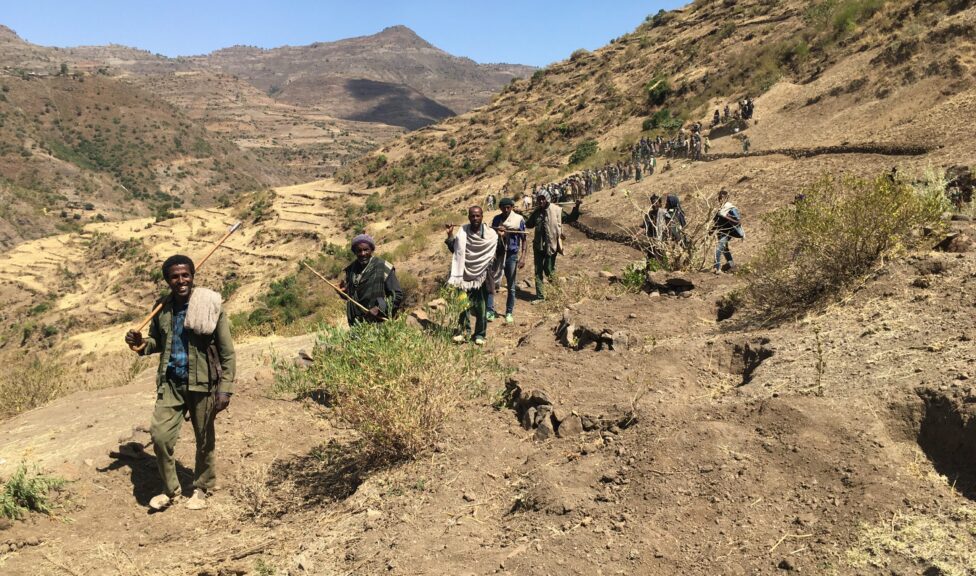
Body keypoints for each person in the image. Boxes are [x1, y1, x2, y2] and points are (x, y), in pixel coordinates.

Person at [124, 255, 235, 511]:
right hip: (171, 382)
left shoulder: (209, 305)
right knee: (160, 436)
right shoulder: (161, 307)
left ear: (192, 276)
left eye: (185, 275)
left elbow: (227, 351)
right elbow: (156, 343)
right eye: (174, 276)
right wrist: (139, 343)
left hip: (203, 382)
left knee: (204, 438)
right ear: (167, 280)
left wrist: (225, 388)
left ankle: (202, 487)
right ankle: (170, 491)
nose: (181, 280)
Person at [446, 206, 502, 345]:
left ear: (482, 216)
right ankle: (464, 332)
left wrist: (501, 237)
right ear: (469, 217)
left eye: (477, 216)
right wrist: (450, 235)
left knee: (481, 306)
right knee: (462, 304)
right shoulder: (463, 232)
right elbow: (455, 250)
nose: (475, 218)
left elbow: (499, 251)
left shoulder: (491, 234)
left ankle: (480, 334)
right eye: (472, 216)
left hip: (482, 275)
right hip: (463, 274)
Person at [525, 191, 581, 302]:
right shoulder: (536, 212)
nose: (541, 201)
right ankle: (540, 297)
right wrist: (520, 215)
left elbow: (570, 218)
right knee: (538, 271)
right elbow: (529, 224)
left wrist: (577, 206)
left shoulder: (556, 210)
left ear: (547, 199)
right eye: (539, 199)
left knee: (549, 269)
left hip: (552, 245)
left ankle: (559, 291)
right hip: (538, 246)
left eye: (543, 199)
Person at [338, 234, 403, 326]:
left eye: (366, 250)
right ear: (354, 252)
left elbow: (397, 295)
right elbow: (352, 297)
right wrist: (343, 294)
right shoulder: (351, 270)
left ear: (371, 250)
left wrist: (379, 309)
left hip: (379, 323)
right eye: (359, 251)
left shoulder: (383, 267)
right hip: (357, 325)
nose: (363, 253)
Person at [487, 198, 527, 324]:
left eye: (508, 207)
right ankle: (489, 310)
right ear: (500, 207)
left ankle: (509, 312)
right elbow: (491, 236)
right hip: (498, 254)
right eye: (503, 207)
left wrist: (523, 256)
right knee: (491, 282)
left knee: (511, 285)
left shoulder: (518, 219)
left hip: (511, 255)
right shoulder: (496, 219)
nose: (506, 209)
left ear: (512, 207)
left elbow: (524, 238)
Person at [712, 189, 744, 273]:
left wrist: (725, 216)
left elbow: (738, 221)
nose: (720, 199)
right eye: (719, 198)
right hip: (721, 232)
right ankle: (731, 265)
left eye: (722, 198)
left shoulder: (730, 208)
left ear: (726, 198)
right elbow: (717, 222)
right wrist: (710, 232)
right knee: (725, 249)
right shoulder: (720, 210)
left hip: (728, 231)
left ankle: (717, 268)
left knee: (719, 248)